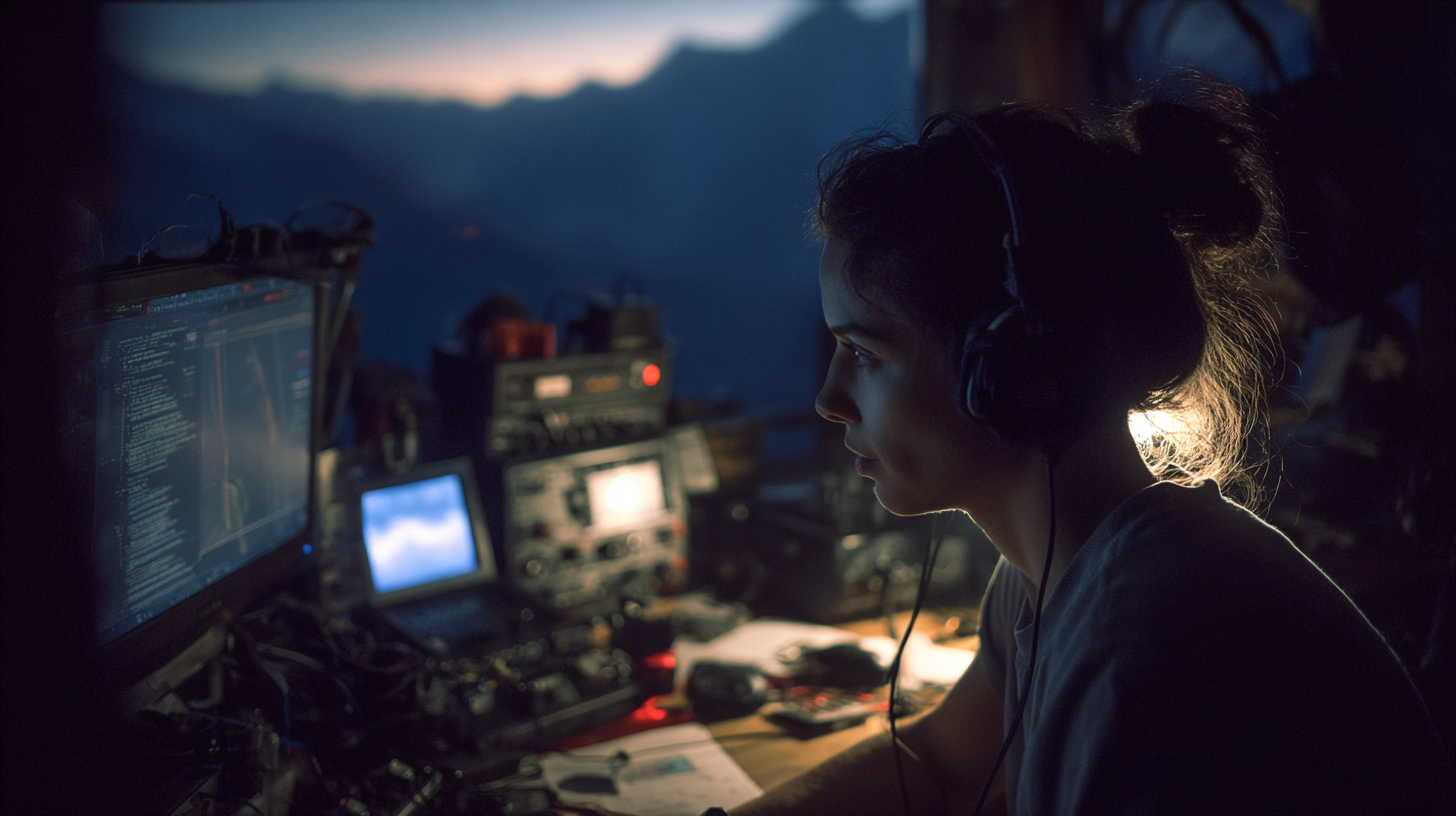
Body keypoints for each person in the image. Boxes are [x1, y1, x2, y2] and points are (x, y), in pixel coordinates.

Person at [722, 78, 1456, 815]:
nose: (828, 400)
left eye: (866, 353)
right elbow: (938, 759)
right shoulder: (1055, 567)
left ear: (1012, 361)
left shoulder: (1140, 654)